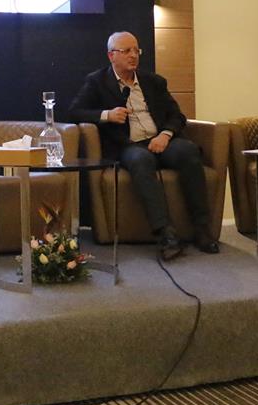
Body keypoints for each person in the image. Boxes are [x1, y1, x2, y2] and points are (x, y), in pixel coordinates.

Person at [69, 31, 218, 258]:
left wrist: (165, 135)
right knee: (141, 160)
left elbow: (177, 115)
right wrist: (107, 115)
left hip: (161, 140)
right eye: (126, 51)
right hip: (129, 145)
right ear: (111, 55)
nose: (133, 55)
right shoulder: (97, 81)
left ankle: (202, 228)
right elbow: (75, 112)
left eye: (136, 50)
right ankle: (166, 233)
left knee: (188, 151)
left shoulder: (153, 82)